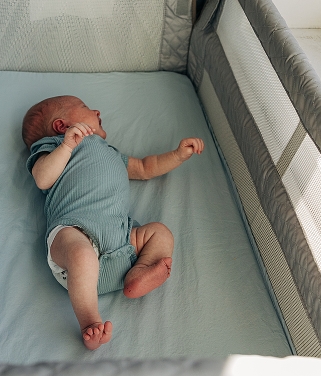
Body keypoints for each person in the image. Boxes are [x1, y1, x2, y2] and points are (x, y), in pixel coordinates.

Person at [22, 95, 204, 350]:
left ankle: (140, 271)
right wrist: (66, 146)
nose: (96, 110)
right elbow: (42, 178)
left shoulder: (111, 153)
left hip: (122, 241)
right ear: (62, 126)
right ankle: (89, 321)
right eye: (85, 108)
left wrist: (177, 155)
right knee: (81, 255)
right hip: (75, 231)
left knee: (159, 232)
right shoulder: (53, 146)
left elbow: (143, 167)